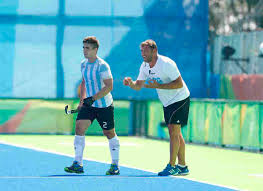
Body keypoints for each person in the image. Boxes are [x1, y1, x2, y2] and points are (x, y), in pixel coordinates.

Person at [123, 39, 190, 176]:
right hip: (167, 102)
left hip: (180, 98)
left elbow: (179, 84)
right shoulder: (144, 66)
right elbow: (138, 86)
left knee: (173, 132)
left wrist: (158, 86)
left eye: (146, 51)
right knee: (176, 133)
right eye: (141, 51)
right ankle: (182, 166)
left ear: (154, 51)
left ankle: (172, 165)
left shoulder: (166, 64)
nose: (143, 54)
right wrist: (130, 83)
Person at [64, 36, 120, 175]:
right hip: (89, 105)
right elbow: (84, 83)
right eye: (83, 47)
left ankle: (115, 165)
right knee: (79, 128)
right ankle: (78, 163)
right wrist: (82, 102)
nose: (84, 50)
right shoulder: (83, 64)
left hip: (104, 106)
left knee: (109, 133)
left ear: (95, 49)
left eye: (87, 48)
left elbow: (109, 86)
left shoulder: (102, 66)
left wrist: (93, 98)